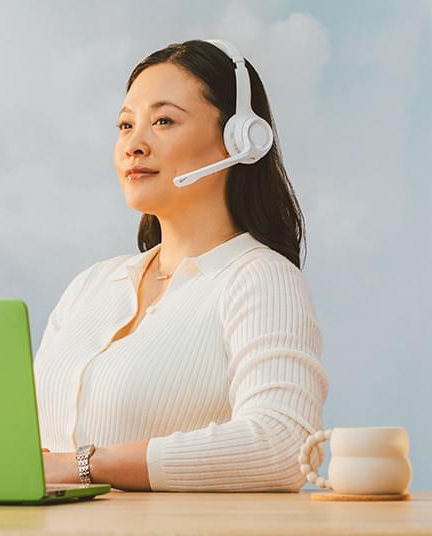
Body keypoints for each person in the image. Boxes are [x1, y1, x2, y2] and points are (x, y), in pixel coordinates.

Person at [34, 39, 328, 492]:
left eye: (164, 121)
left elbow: (285, 445)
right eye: (125, 125)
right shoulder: (91, 285)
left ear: (239, 139)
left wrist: (90, 465)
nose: (134, 144)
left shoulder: (259, 279)